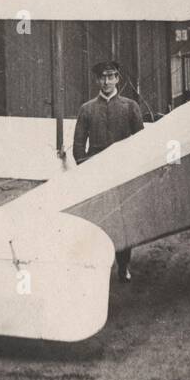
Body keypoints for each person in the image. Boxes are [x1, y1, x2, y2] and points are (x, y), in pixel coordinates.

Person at [73, 60, 145, 282]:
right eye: (102, 77)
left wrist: (132, 167)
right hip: (97, 175)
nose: (107, 81)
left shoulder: (130, 106)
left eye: (111, 76)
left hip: (123, 172)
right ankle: (96, 267)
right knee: (97, 220)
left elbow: (142, 142)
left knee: (124, 221)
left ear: (117, 79)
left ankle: (123, 266)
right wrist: (88, 169)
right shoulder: (87, 109)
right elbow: (77, 147)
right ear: (97, 80)